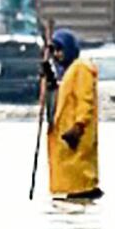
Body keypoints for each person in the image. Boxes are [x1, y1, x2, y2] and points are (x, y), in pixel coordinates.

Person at [41, 29, 102, 200]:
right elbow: (59, 102)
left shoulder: (81, 68)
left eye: (60, 50)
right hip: (65, 145)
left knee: (80, 191)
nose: (57, 55)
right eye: (54, 51)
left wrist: (79, 126)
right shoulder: (68, 72)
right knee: (69, 194)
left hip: (76, 140)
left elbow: (85, 101)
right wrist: (50, 82)